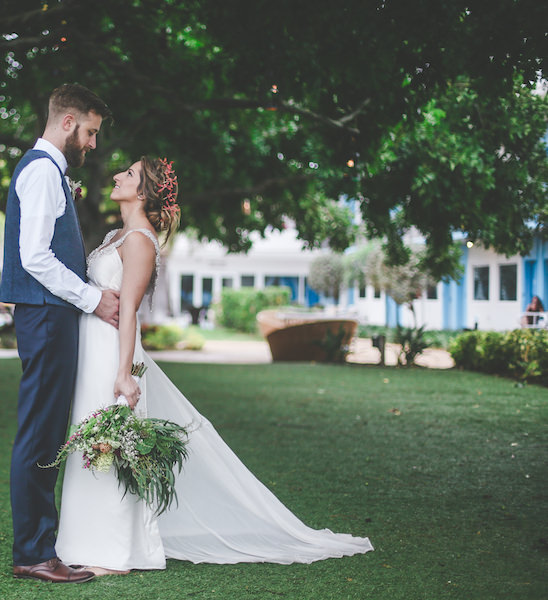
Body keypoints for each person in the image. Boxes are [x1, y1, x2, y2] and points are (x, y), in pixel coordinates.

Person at [55, 157, 374, 575]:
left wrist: (123, 373)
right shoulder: (118, 234)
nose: (116, 175)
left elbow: (130, 311)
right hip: (92, 349)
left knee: (113, 449)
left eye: (129, 174)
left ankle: (115, 551)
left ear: (146, 192)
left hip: (112, 353)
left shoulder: (139, 241)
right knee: (90, 443)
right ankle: (83, 540)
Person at [0, 83, 119, 584]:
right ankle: (33, 552)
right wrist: (93, 298)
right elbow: (35, 258)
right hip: (46, 317)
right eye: (90, 132)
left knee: (46, 429)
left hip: (48, 315)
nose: (93, 143)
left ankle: (38, 545)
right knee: (41, 432)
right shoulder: (43, 172)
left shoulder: (50, 171)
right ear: (68, 123)